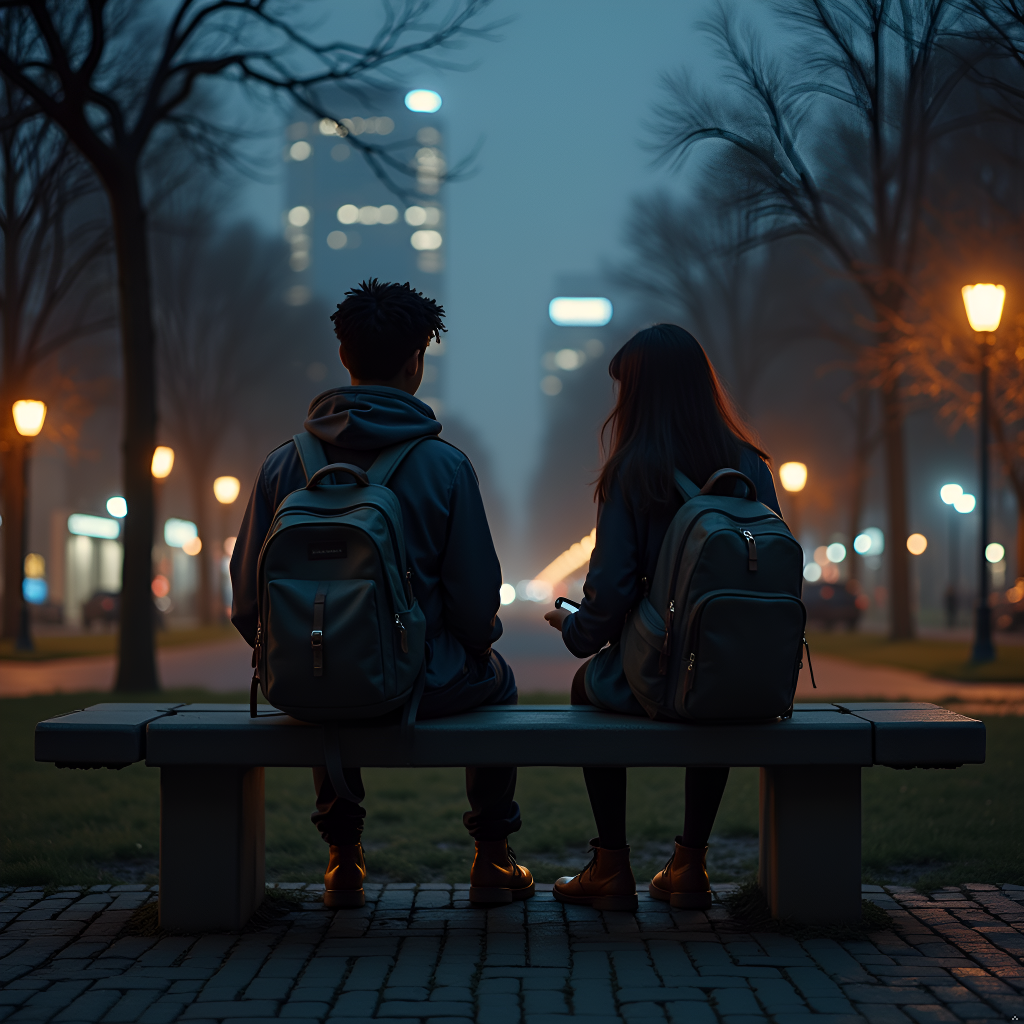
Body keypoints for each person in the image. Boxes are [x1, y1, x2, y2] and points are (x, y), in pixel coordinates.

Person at [230, 279, 533, 908]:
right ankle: (492, 855)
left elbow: (247, 602)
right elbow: (477, 604)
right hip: (426, 682)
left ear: (344, 356)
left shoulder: (284, 465)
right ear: (416, 362)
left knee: (324, 660)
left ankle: (343, 857)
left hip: (309, 683)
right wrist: (476, 645)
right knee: (499, 681)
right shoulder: (445, 466)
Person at [543, 323, 782, 912]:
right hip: (736, 671)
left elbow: (612, 590)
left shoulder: (633, 471)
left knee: (586, 686)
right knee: (716, 687)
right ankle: (690, 863)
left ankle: (610, 865)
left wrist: (575, 629)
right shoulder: (752, 468)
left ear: (641, 395)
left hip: (655, 670)